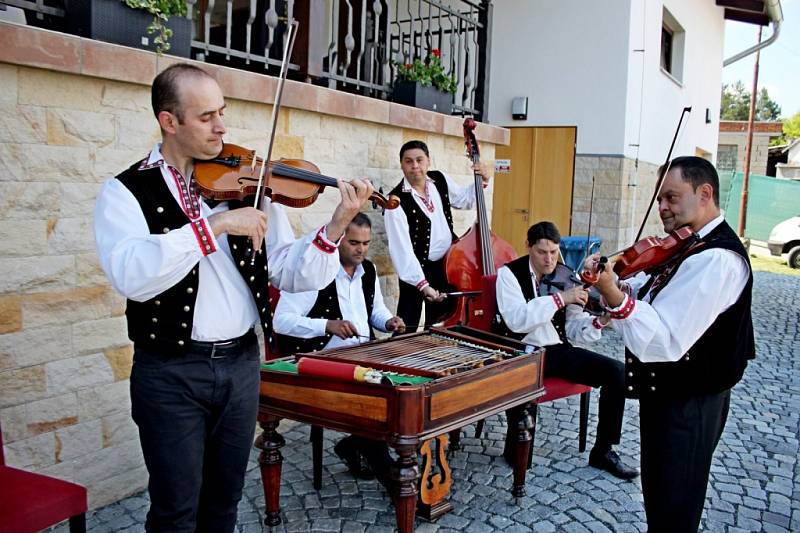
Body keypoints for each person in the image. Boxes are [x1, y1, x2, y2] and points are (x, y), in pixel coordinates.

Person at [93, 63, 374, 532]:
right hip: (170, 372)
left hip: (242, 364)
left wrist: (338, 223)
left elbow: (289, 270)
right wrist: (215, 225)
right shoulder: (124, 191)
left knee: (225, 503)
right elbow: (132, 274)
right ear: (169, 121)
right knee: (175, 510)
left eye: (222, 112)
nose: (222, 126)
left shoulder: (251, 184)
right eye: (206, 117)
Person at [587, 156, 754, 532]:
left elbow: (664, 340)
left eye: (672, 197)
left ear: (705, 193)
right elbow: (656, 298)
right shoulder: (690, 245)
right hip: (673, 396)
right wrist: (620, 287)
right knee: (662, 500)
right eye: (660, 198)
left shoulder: (716, 258)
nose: (662, 207)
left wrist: (614, 294)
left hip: (689, 402)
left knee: (674, 509)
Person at [494, 221, 639, 480]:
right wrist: (560, 298)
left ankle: (604, 450)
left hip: (557, 350)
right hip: (519, 351)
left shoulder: (565, 275)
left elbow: (572, 327)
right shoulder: (509, 275)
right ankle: (515, 447)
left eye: (553, 252)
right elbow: (516, 320)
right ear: (528, 247)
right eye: (541, 252)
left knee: (616, 372)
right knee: (520, 460)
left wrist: (599, 321)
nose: (549, 259)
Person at [273, 212, 404, 486]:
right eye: (354, 242)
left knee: (401, 388)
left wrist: (388, 320)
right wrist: (327, 325)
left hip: (363, 353)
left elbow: (375, 310)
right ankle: (392, 478)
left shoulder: (368, 270)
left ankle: (355, 445)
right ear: (340, 238)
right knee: (371, 401)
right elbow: (281, 321)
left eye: (366, 243)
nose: (361, 249)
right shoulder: (315, 270)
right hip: (323, 360)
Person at [384, 140, 491, 332]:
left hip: (448, 264)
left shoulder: (439, 179)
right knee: (408, 324)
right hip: (416, 269)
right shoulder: (395, 202)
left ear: (428, 161)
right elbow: (402, 252)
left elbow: (463, 200)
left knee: (444, 322)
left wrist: (481, 181)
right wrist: (423, 285)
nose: (415, 166)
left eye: (419, 160)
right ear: (401, 164)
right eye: (408, 161)